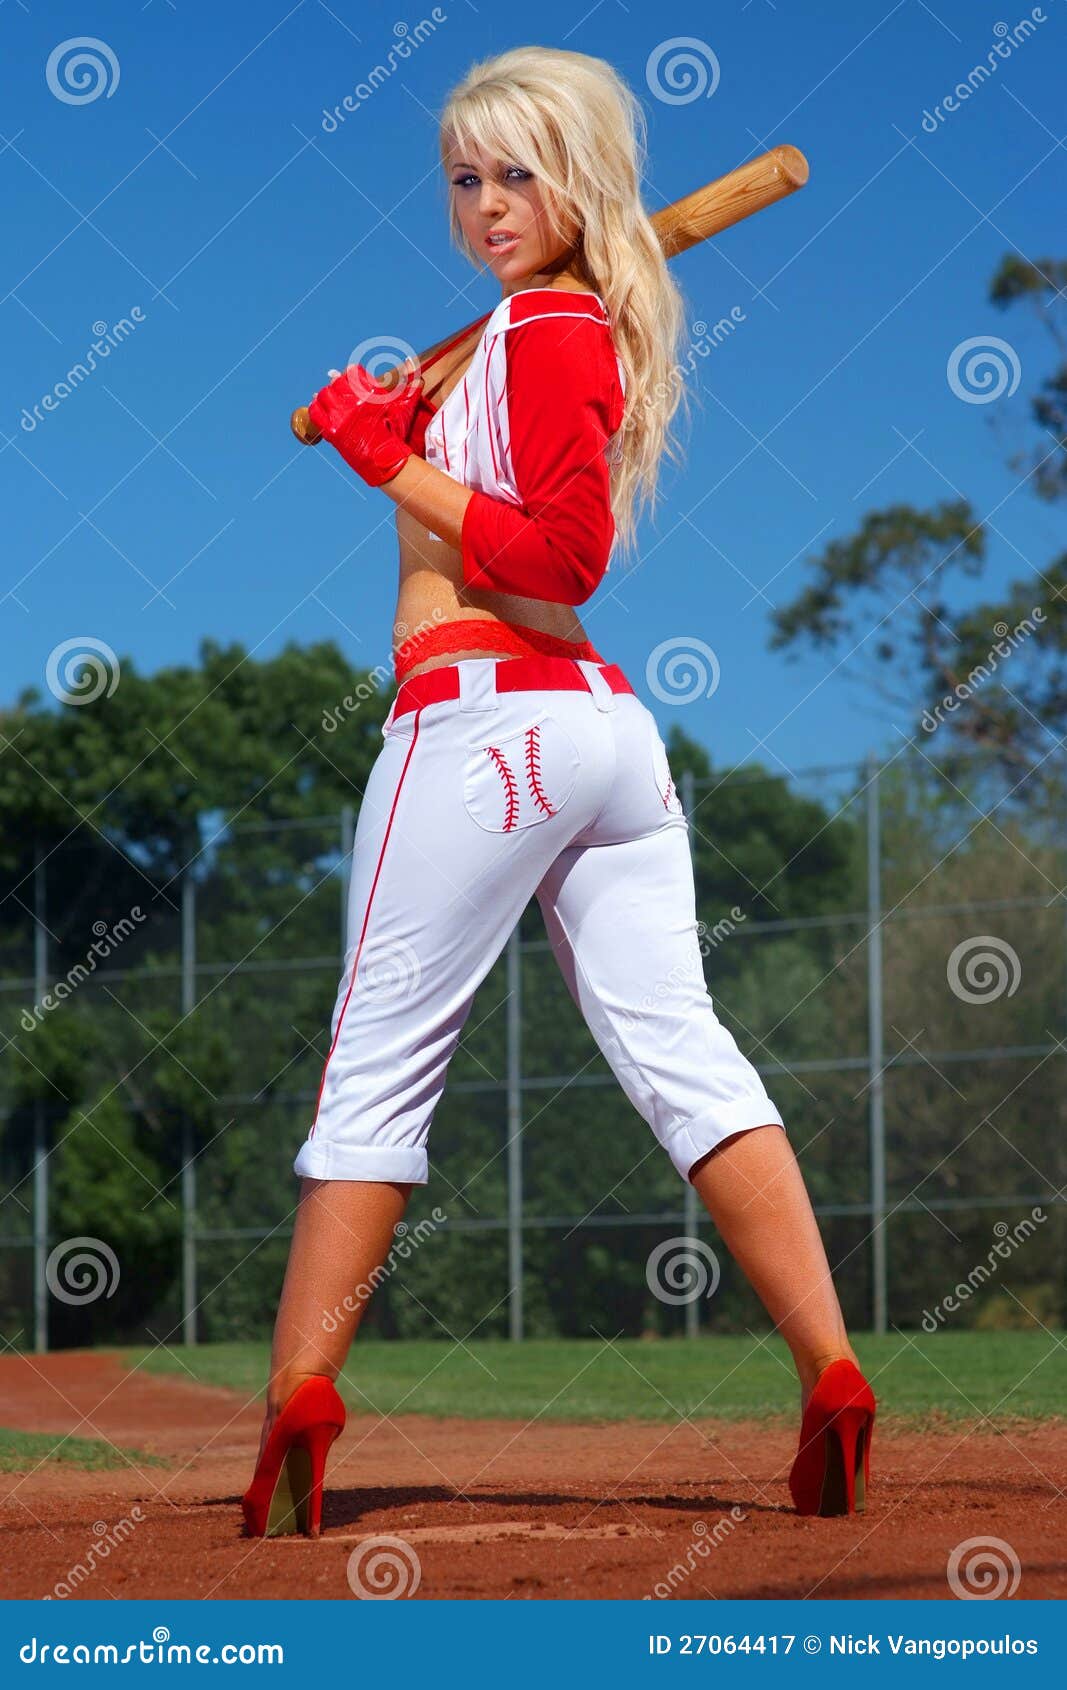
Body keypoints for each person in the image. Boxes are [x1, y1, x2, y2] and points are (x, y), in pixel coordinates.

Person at [242, 45, 875, 1540]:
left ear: (582, 183)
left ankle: (293, 1410)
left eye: (517, 173)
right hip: (600, 738)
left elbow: (560, 555)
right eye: (464, 179)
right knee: (687, 1054)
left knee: (375, 1064)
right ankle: (835, 1372)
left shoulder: (541, 330)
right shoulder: (549, 332)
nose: (484, 202)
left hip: (482, 732)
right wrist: (397, 421)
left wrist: (386, 455)